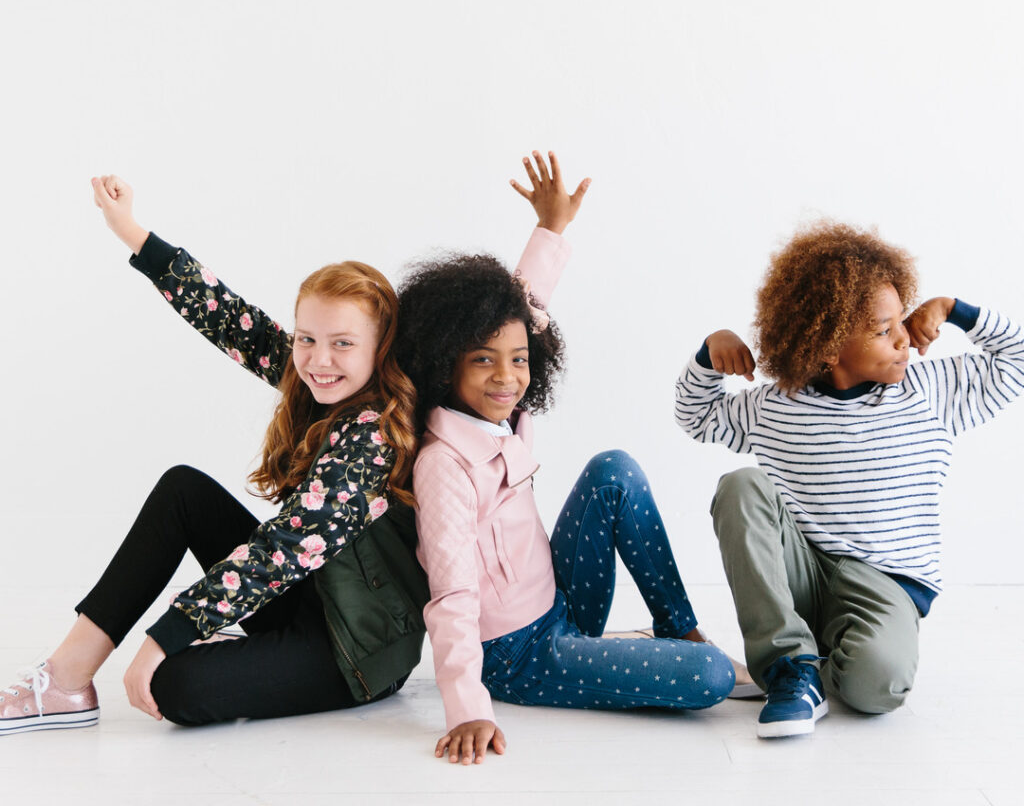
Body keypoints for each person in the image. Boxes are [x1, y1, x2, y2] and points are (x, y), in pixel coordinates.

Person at [0, 176, 427, 734]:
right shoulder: (315, 380)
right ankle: (64, 679)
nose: (319, 360)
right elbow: (228, 315)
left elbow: (287, 547)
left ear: (380, 348)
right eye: (306, 339)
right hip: (311, 597)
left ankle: (224, 639)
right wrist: (130, 229)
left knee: (169, 684)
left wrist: (170, 631)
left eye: (343, 343)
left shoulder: (374, 435)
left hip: (356, 647)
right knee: (184, 490)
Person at [397, 152, 736, 766]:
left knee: (615, 468)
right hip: (518, 655)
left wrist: (551, 227)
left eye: (519, 358)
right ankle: (685, 654)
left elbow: (520, 308)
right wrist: (467, 706)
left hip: (560, 599)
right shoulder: (443, 464)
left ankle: (678, 625)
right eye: (481, 360)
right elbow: (449, 595)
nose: (507, 376)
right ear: (444, 360)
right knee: (710, 677)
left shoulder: (501, 413)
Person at [674, 220, 1024, 738]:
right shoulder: (777, 407)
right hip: (803, 574)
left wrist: (955, 310)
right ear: (828, 346)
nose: (904, 338)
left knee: (875, 688)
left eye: (900, 319)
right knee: (741, 485)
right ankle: (790, 668)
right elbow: (696, 415)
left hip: (884, 582)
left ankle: (835, 654)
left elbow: (1015, 361)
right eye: (884, 331)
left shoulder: (931, 389)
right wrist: (709, 354)